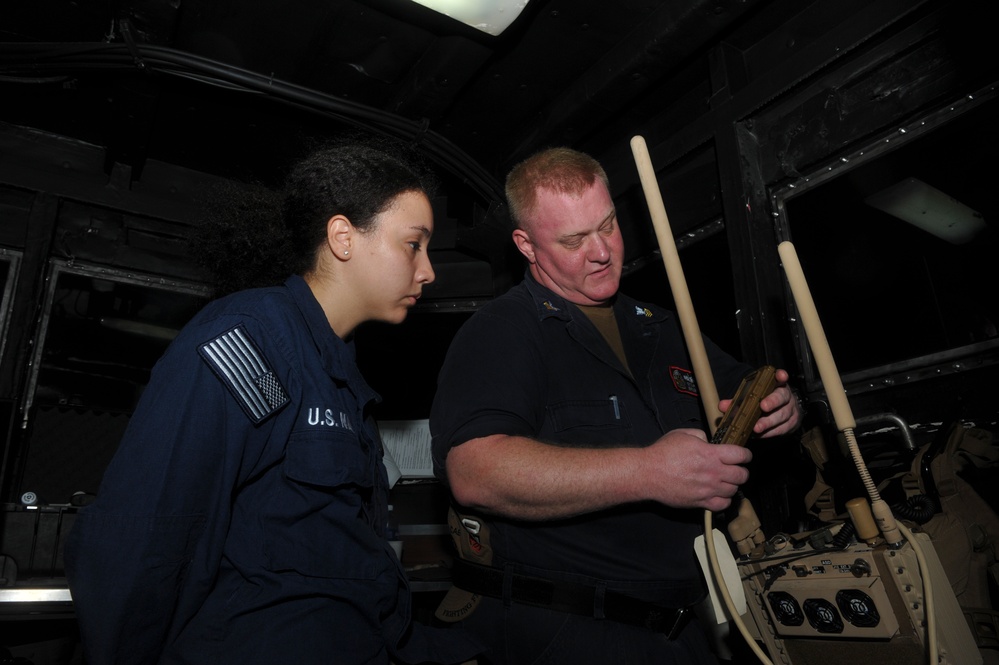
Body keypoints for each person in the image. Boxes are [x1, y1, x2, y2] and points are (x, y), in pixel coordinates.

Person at [64, 137, 482, 665]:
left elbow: (343, 566)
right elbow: (146, 536)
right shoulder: (253, 344)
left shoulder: (340, 376)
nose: (428, 271)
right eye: (413, 244)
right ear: (343, 237)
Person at [428, 147, 802, 664]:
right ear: (527, 245)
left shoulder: (661, 325)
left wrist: (781, 407)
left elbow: (747, 390)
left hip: (684, 628)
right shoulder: (500, 334)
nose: (602, 252)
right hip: (570, 633)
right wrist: (647, 472)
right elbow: (475, 471)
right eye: (574, 240)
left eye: (607, 226)